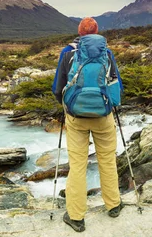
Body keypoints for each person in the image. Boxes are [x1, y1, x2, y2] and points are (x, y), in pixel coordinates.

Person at [52, 17, 124, 232]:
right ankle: (113, 205)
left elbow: (58, 88)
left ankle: (76, 216)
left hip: (76, 118)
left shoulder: (67, 53)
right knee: (108, 160)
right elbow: (117, 86)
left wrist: (67, 107)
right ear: (96, 31)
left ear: (79, 32)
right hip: (103, 116)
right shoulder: (107, 53)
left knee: (77, 165)